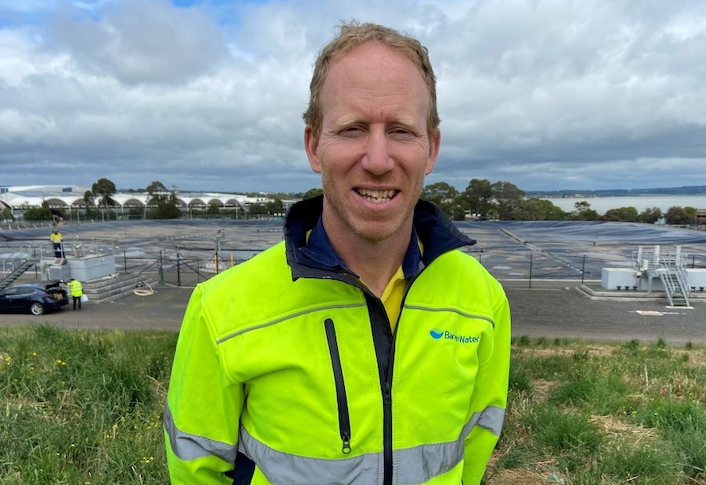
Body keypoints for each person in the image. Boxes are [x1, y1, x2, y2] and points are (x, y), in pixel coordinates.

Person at [164, 21, 511, 485]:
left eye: (402, 131)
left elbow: (473, 451)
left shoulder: (481, 301)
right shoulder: (221, 310)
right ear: (314, 145)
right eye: (352, 129)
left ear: (432, 149)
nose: (378, 158)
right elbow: (195, 472)